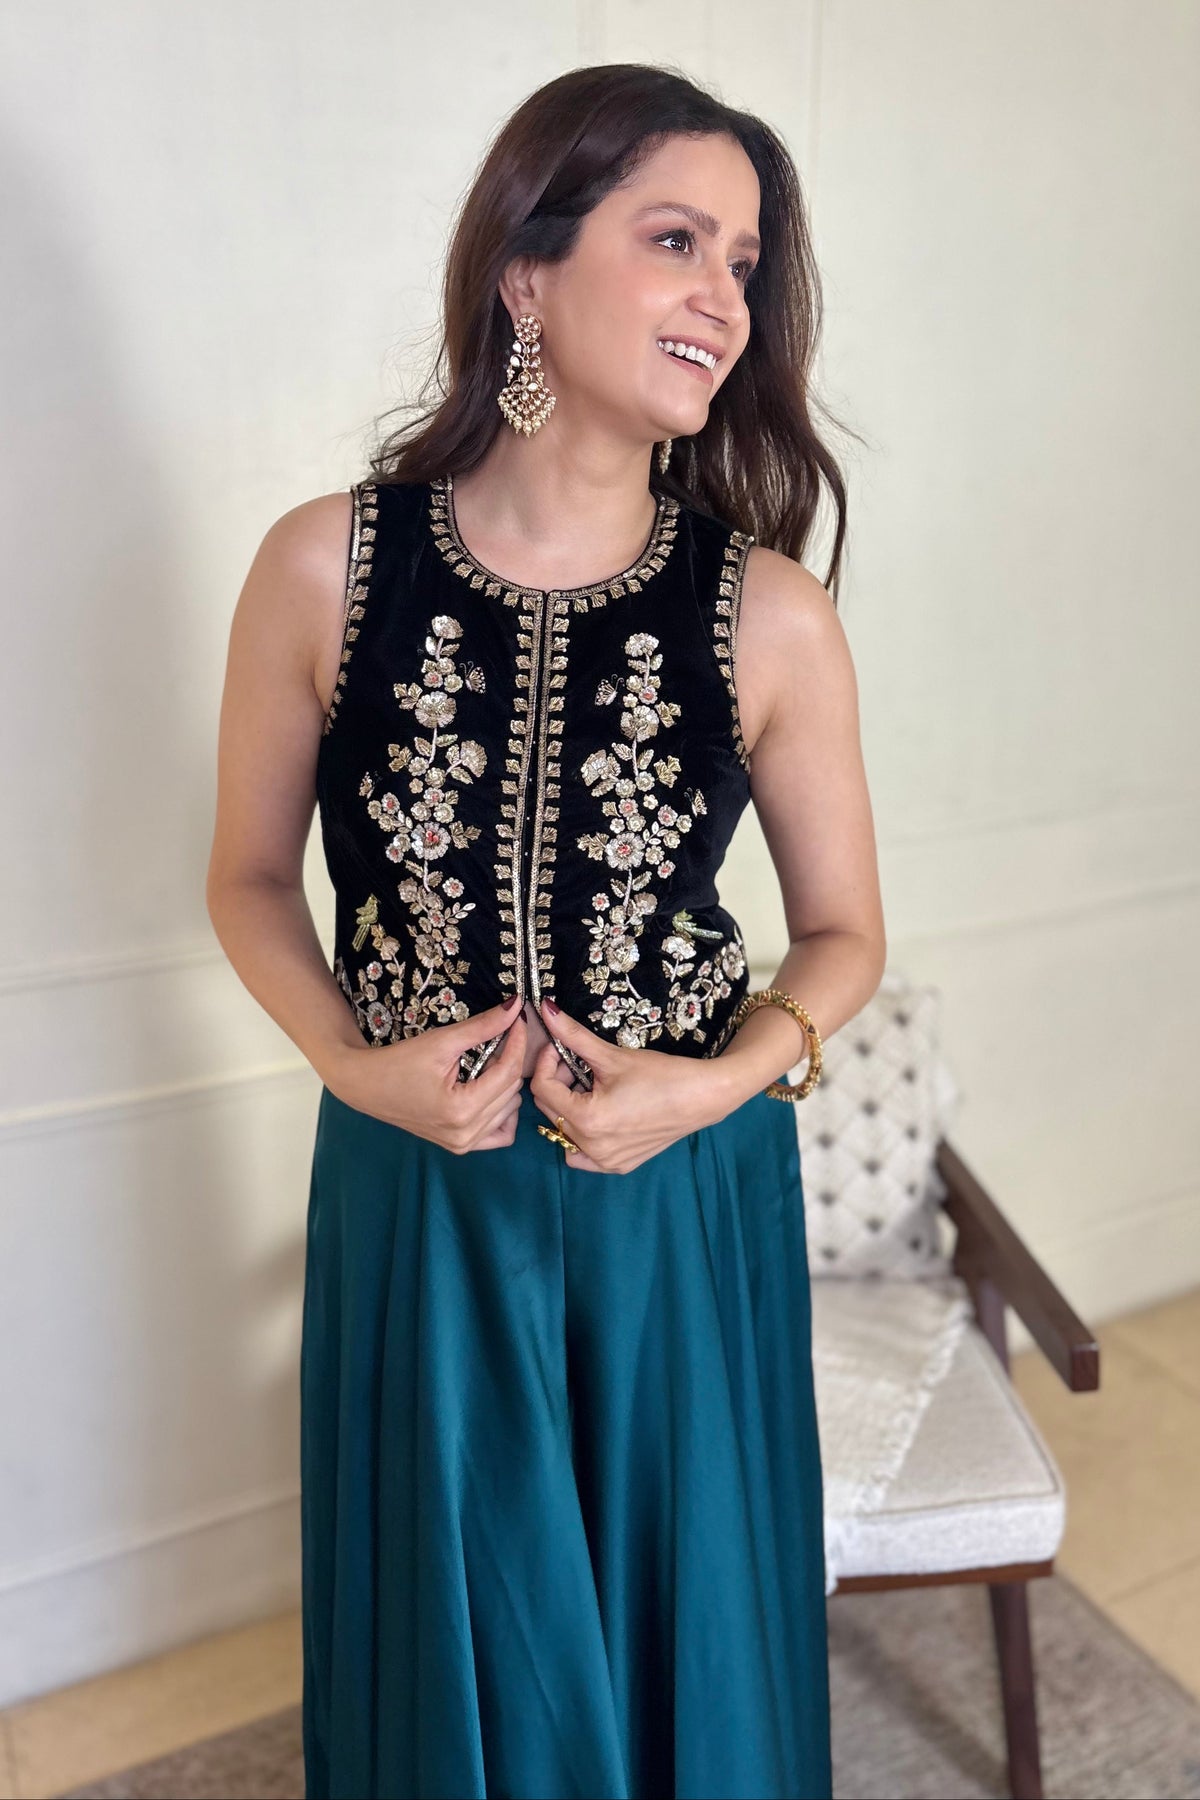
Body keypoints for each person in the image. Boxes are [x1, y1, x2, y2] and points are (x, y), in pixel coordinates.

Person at [207, 61, 885, 1800]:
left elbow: (840, 939)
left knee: (684, 1651)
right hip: (419, 1193)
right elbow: (249, 880)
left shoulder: (769, 612)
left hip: (678, 1201)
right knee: (453, 1657)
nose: (724, 297)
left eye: (745, 261)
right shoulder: (324, 570)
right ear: (528, 265)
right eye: (677, 241)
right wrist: (352, 1067)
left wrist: (710, 1087)